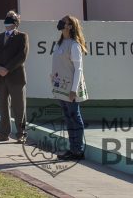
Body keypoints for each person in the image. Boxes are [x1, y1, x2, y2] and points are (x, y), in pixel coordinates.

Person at [51, 15, 88, 161]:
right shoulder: (59, 43)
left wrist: (74, 90)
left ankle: (78, 150)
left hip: (71, 89)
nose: (60, 23)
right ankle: (72, 148)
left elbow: (78, 69)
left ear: (70, 26)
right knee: (68, 118)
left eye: (64, 22)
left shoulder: (74, 45)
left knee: (74, 118)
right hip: (61, 87)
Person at [0, 10, 29, 142]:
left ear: (16, 22)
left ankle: (21, 133)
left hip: (16, 77)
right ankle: (3, 133)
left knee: (19, 106)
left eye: (11, 19)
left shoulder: (22, 36)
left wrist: (7, 68)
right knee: (3, 105)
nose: (8, 21)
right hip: (0, 77)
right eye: (7, 18)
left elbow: (22, 56)